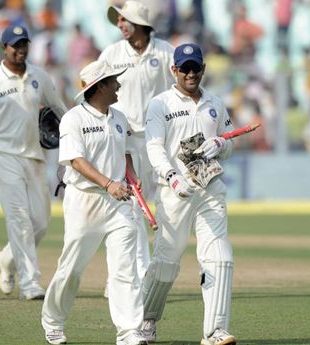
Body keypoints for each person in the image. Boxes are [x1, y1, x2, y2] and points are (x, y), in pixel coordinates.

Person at [41, 60, 147, 345]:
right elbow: (76, 161)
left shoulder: (119, 118)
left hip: (119, 203)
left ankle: (129, 332)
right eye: (114, 81)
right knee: (72, 268)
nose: (119, 85)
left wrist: (132, 176)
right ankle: (53, 322)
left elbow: (124, 152)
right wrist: (108, 184)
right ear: (99, 87)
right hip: (85, 202)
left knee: (125, 269)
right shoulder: (74, 119)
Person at [143, 43, 237, 345]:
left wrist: (221, 145)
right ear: (174, 70)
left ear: (203, 69)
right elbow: (154, 146)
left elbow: (229, 140)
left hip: (210, 189)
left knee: (219, 257)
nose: (191, 73)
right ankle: (145, 320)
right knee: (166, 263)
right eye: (184, 68)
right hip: (176, 193)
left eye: (195, 67)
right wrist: (170, 176)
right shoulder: (161, 104)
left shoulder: (215, 103)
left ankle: (215, 331)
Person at [0, 24, 67, 300]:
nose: (20, 50)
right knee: (20, 220)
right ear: (4, 48)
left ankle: (7, 259)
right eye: (15, 45)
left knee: (40, 222)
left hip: (35, 155)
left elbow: (60, 108)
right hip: (4, 154)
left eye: (24, 44)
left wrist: (77, 137)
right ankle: (30, 282)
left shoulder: (39, 76)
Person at [98, 0, 175, 305]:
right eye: (118, 20)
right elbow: (90, 86)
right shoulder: (112, 54)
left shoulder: (166, 52)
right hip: (124, 139)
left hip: (159, 139)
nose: (120, 24)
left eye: (125, 19)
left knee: (162, 204)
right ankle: (127, 275)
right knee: (129, 208)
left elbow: (179, 92)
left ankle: (148, 272)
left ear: (141, 23)